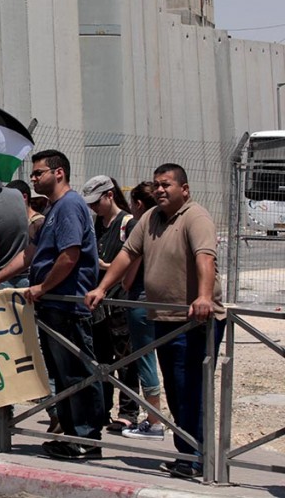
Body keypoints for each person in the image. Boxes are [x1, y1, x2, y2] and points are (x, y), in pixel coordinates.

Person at [85, 164, 226, 479]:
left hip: (195, 321)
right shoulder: (149, 219)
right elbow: (127, 253)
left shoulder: (195, 217)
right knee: (176, 392)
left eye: (168, 185)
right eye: (157, 185)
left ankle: (197, 458)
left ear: (184, 189)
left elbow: (206, 258)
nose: (161, 190)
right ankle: (188, 455)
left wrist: (203, 297)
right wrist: (102, 287)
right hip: (164, 318)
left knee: (191, 389)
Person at [0, 149, 105, 461]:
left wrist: (42, 287)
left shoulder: (70, 206)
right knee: (61, 373)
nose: (33, 178)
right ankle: (71, 433)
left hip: (68, 303)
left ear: (58, 172)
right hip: (52, 305)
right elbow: (30, 254)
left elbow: (70, 254)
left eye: (38, 173)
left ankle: (87, 438)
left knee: (77, 371)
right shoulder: (54, 209)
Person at [81, 174, 139, 433]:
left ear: (110, 195)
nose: (94, 207)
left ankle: (128, 412)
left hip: (120, 300)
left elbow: (133, 259)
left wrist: (110, 269)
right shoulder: (97, 224)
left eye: (97, 202)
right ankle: (101, 408)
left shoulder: (128, 223)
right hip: (99, 302)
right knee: (101, 358)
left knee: (125, 358)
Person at [119, 181, 164, 441]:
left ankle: (154, 420)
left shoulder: (140, 226)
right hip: (162, 302)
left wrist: (124, 283)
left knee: (145, 362)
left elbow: (129, 271)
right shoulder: (162, 224)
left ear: (137, 204)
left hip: (139, 300)